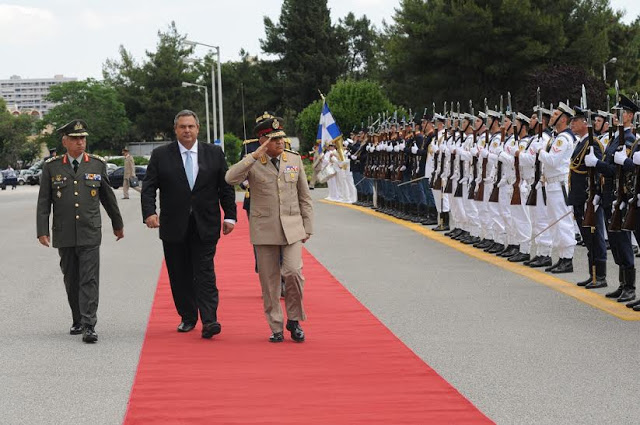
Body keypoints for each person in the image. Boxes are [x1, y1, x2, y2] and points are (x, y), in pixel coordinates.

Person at [141, 110, 237, 339]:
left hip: (206, 224)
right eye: (182, 127)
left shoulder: (214, 153)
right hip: (174, 225)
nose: (187, 130)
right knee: (179, 273)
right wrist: (149, 213)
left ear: (198, 129)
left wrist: (230, 216)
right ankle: (188, 316)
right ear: (175, 130)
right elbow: (149, 187)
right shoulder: (161, 155)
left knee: (204, 272)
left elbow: (226, 187)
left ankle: (210, 320)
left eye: (191, 126)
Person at [225, 117, 314, 343]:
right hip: (265, 229)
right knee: (270, 281)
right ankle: (276, 326)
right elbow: (230, 178)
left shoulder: (293, 160)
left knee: (293, 273)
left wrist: (308, 225)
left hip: (292, 227)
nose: (280, 142)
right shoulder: (253, 161)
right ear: (263, 140)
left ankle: (294, 319)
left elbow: (304, 196)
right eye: (274, 139)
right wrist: (254, 155)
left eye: (281, 138)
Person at [36, 119, 124, 343]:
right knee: (71, 278)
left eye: (83, 138)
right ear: (65, 141)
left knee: (89, 278)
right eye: (75, 139)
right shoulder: (52, 167)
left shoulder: (96, 164)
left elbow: (108, 198)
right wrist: (42, 230)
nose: (80, 143)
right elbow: (44, 202)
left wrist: (117, 224)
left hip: (90, 232)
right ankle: (77, 318)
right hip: (64, 232)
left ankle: (89, 324)